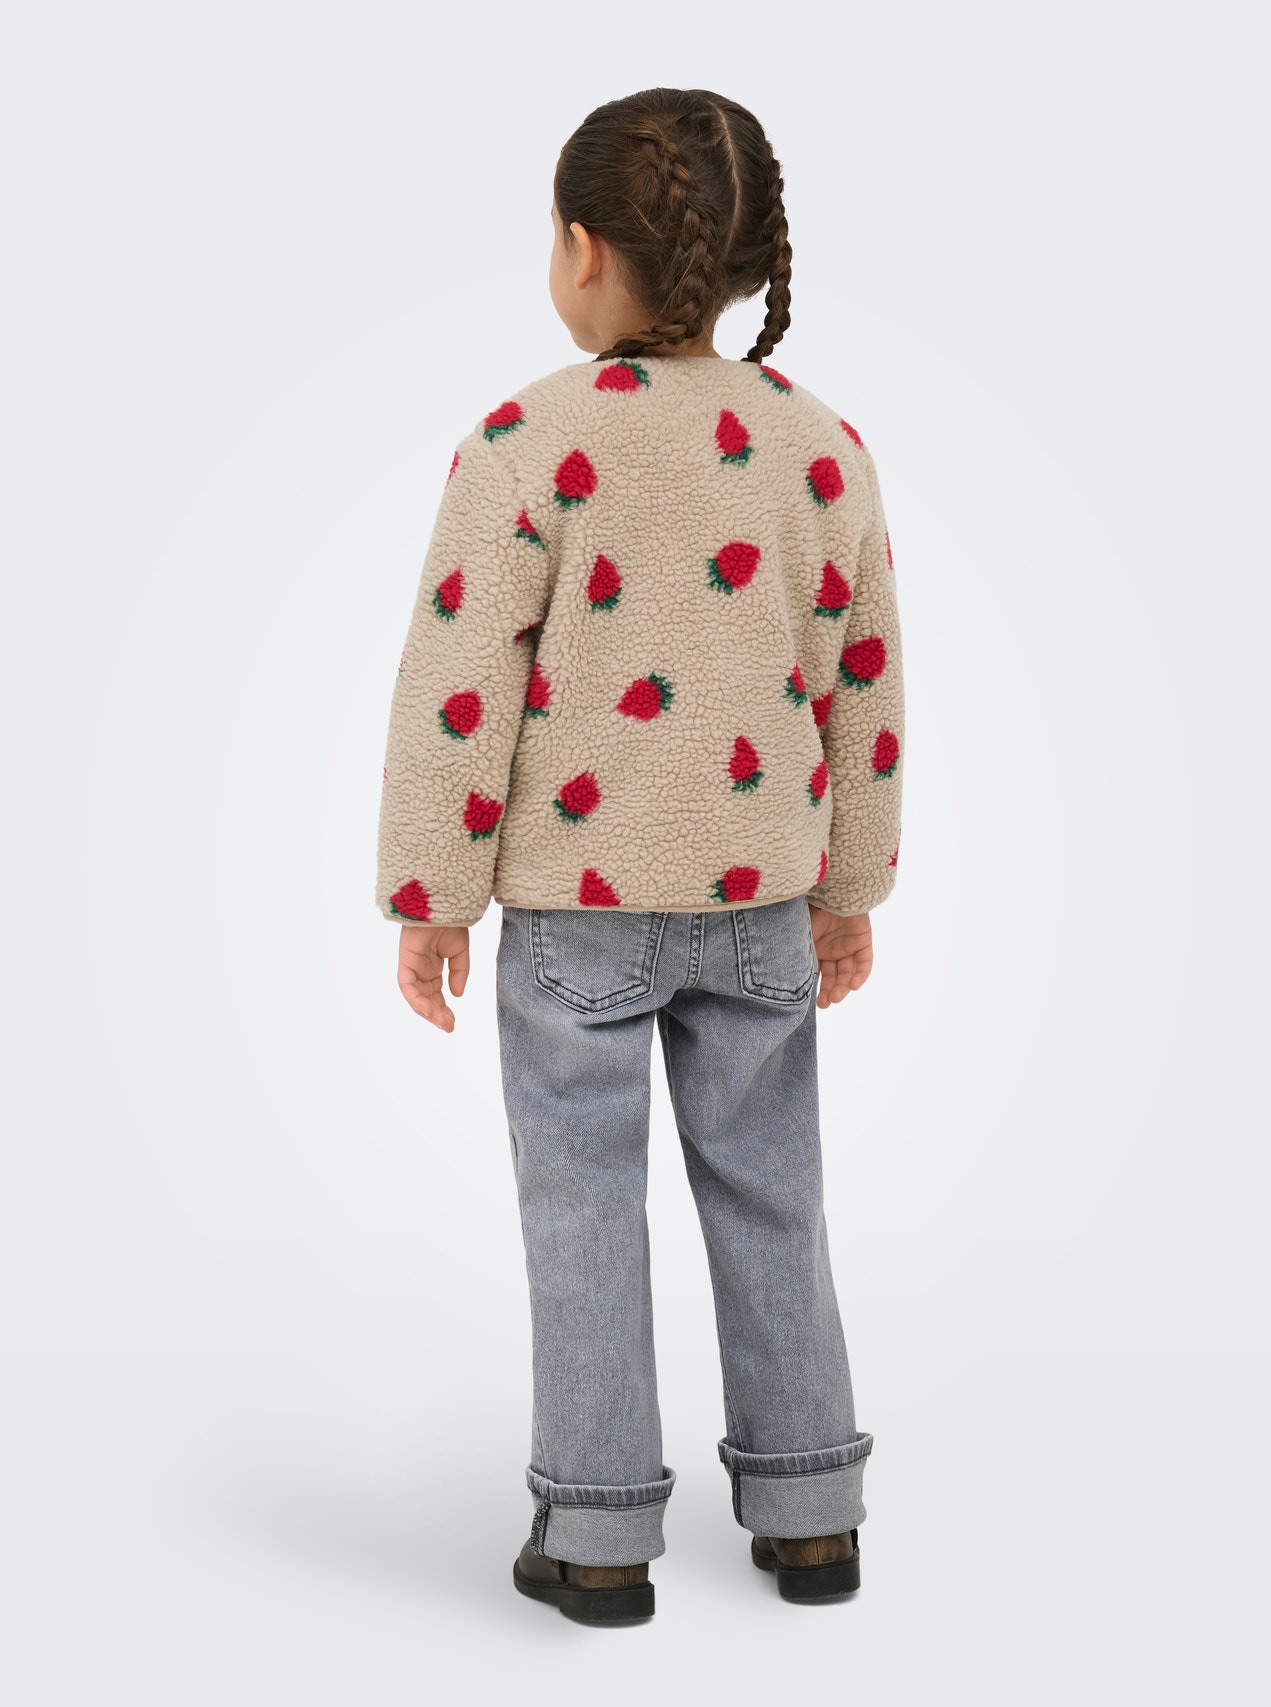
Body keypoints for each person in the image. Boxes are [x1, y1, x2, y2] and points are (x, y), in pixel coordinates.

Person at [375, 87, 904, 1624]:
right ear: (740, 263)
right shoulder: (823, 449)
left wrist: (431, 897)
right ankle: (813, 1517)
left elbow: (457, 688)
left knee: (582, 1211)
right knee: (775, 1194)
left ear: (582, 249)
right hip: (760, 900)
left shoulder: (525, 445)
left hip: (576, 914)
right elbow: (866, 690)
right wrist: (850, 890)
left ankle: (600, 1540)